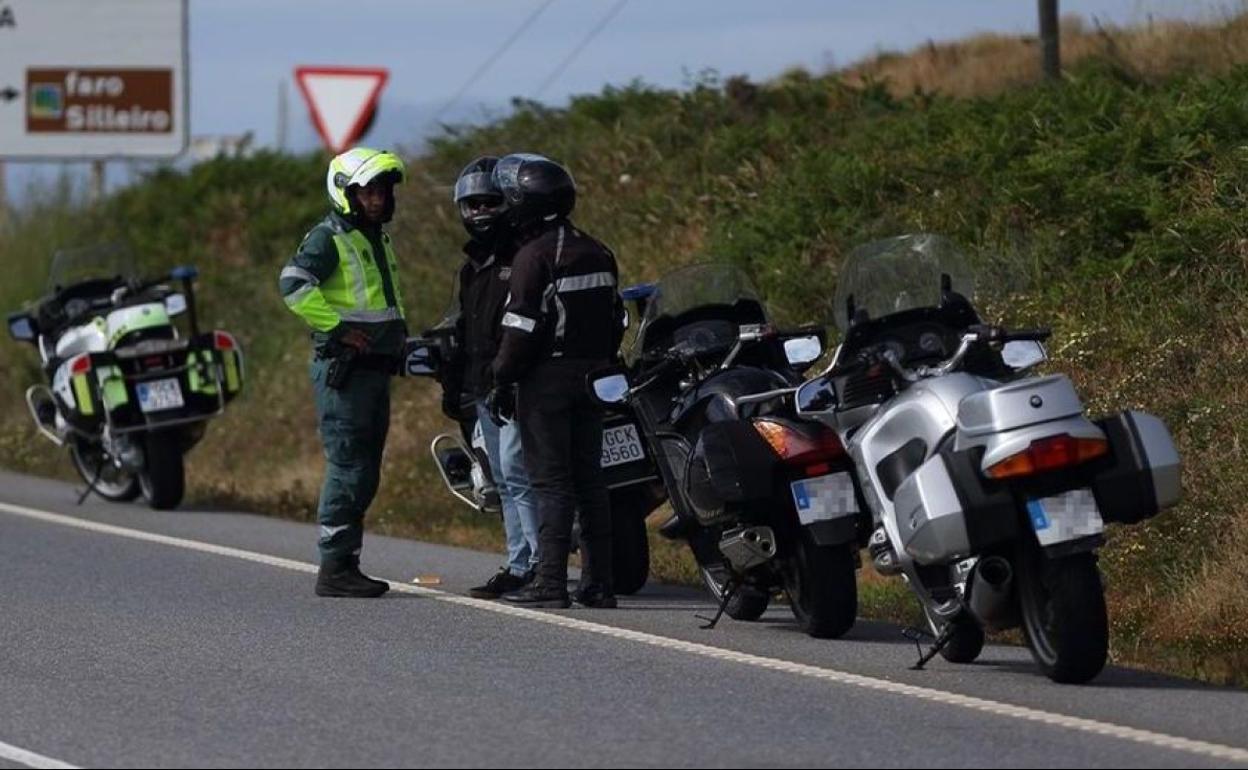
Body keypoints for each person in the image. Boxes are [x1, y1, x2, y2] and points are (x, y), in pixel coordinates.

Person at [488, 153, 625, 609]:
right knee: (591, 479)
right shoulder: (597, 249)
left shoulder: (534, 257)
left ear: (522, 204)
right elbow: (617, 318)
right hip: (596, 376)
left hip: (547, 381)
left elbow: (520, 328)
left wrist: (501, 378)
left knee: (551, 482)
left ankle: (550, 582)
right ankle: (600, 583)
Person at [278, 147, 408, 598]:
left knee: (366, 468)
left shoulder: (375, 238)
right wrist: (338, 330)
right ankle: (335, 568)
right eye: (368, 191)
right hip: (345, 372)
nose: (378, 199)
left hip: (375, 370)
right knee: (350, 466)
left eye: (383, 191)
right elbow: (293, 285)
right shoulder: (329, 237)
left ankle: (346, 562)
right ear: (345, 193)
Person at [442, 155, 541, 599]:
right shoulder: (471, 267)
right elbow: (466, 332)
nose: (480, 212)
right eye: (472, 205)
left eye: (489, 202)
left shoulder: (524, 257)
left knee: (520, 476)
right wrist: (455, 387)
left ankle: (537, 565)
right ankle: (519, 562)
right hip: (485, 388)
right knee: (502, 480)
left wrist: (510, 378)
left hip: (517, 385)